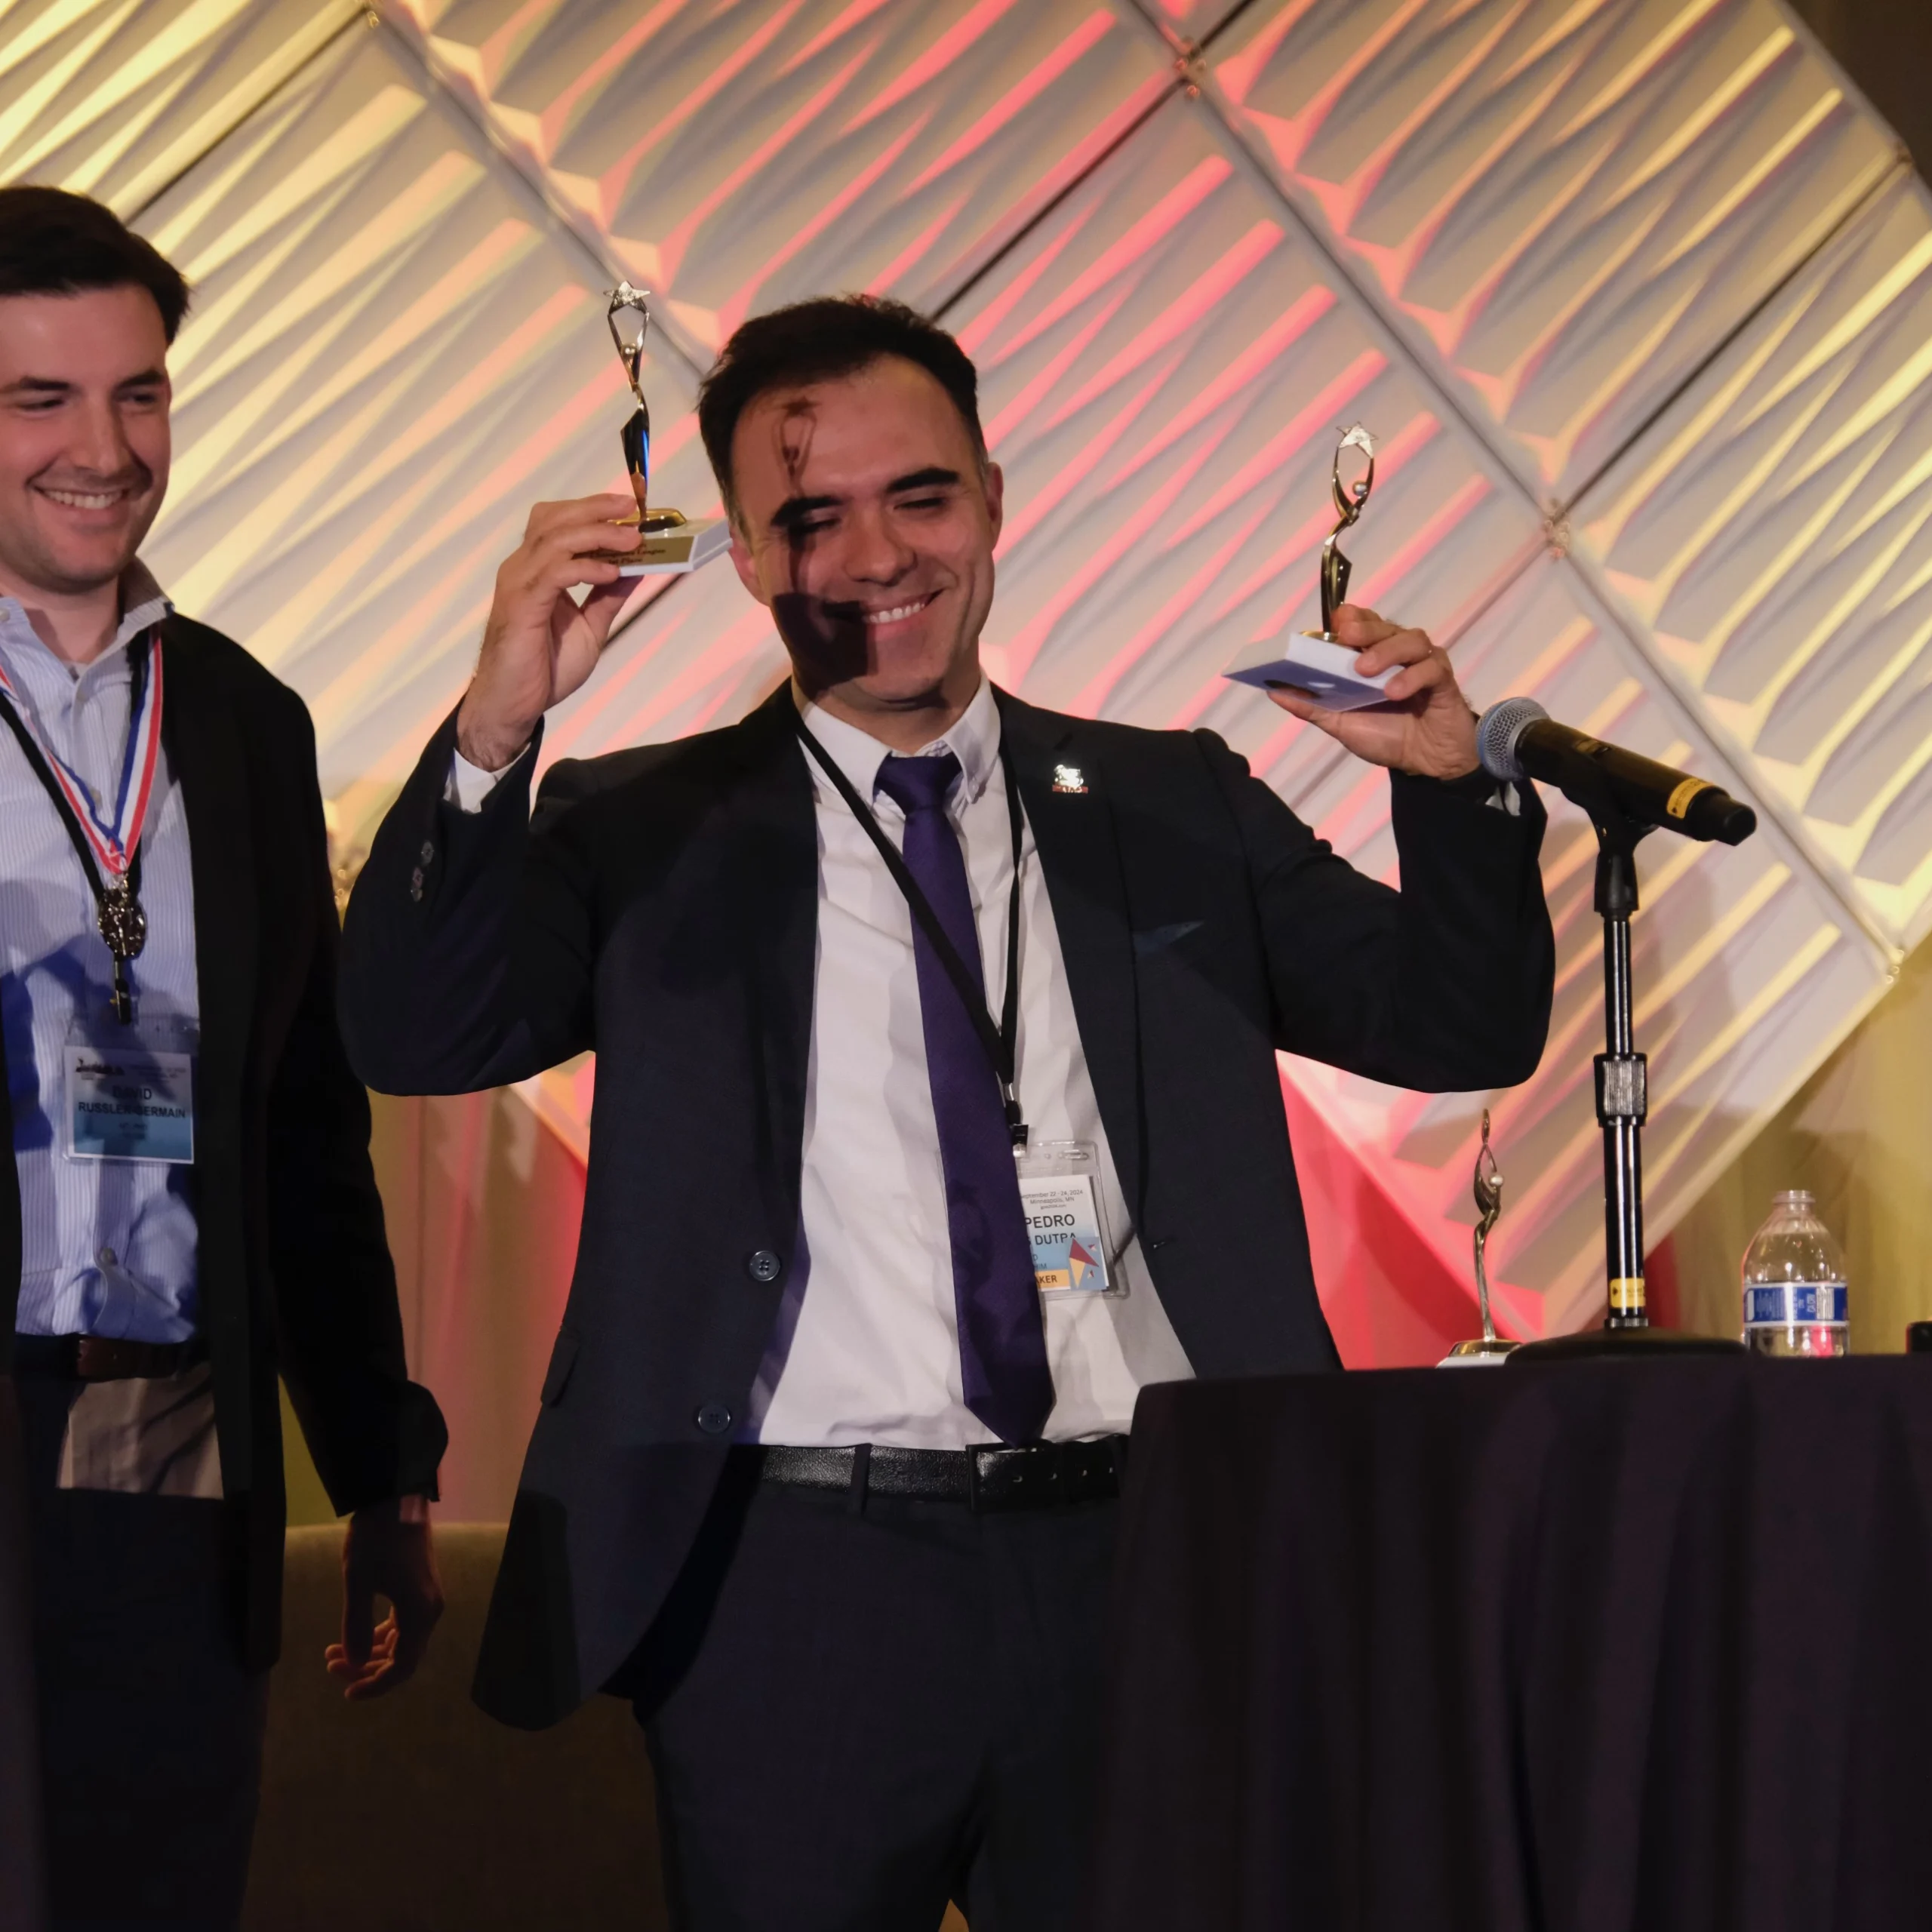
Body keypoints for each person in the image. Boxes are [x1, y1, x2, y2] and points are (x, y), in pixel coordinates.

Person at [340, 294, 1554, 1930]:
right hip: (792, 1587)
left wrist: (1451, 784)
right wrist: (496, 725)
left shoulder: (1167, 798)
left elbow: (1454, 1021)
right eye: (809, 519)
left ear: (991, 497)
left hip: (1153, 1561)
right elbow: (418, 1033)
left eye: (918, 496)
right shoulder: (642, 824)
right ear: (750, 560)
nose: (875, 556)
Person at [0, 186, 448, 1928]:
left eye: (139, 392)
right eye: (39, 398)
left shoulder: (248, 719)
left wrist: (378, 1465)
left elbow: (301, 1132)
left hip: (175, 1452)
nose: (104, 449)